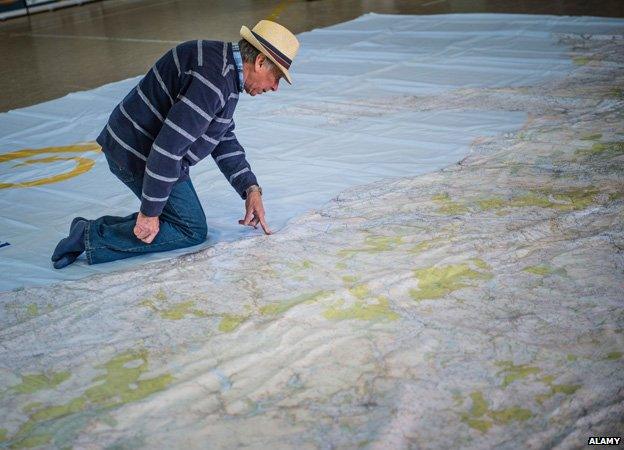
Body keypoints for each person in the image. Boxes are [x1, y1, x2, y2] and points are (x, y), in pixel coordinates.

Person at [51, 20, 299, 269]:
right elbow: (167, 149)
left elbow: (222, 136)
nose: (275, 88)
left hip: (151, 149)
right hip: (135, 151)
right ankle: (88, 237)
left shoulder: (224, 70)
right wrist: (149, 213)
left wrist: (250, 188)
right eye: (275, 77)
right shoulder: (213, 81)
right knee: (190, 228)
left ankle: (89, 230)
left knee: (178, 219)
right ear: (258, 62)